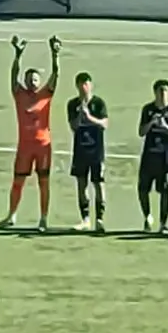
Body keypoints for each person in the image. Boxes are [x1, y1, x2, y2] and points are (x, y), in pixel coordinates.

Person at [0, 35, 60, 230]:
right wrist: (17, 55)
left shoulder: (45, 94)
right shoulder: (20, 95)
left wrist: (54, 54)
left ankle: (43, 219)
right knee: (18, 181)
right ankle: (11, 215)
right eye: (29, 79)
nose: (32, 82)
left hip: (43, 146)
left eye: (35, 79)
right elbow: (13, 76)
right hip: (24, 147)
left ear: (39, 81)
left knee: (43, 182)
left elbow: (56, 74)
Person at [67, 71, 110, 232]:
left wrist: (90, 117)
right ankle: (85, 219)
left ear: (90, 85)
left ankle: (100, 219)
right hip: (80, 151)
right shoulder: (72, 104)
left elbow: (105, 124)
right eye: (81, 84)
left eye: (86, 84)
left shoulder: (98, 103)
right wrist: (80, 115)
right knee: (81, 184)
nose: (84, 87)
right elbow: (73, 126)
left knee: (99, 184)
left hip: (96, 151)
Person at [137, 79, 168, 235]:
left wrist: (164, 126)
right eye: (160, 90)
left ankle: (163, 224)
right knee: (142, 189)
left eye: (166, 90)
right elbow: (141, 131)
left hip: (165, 157)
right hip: (149, 155)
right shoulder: (147, 109)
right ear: (155, 92)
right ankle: (147, 216)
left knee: (165, 191)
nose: (163, 94)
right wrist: (151, 123)